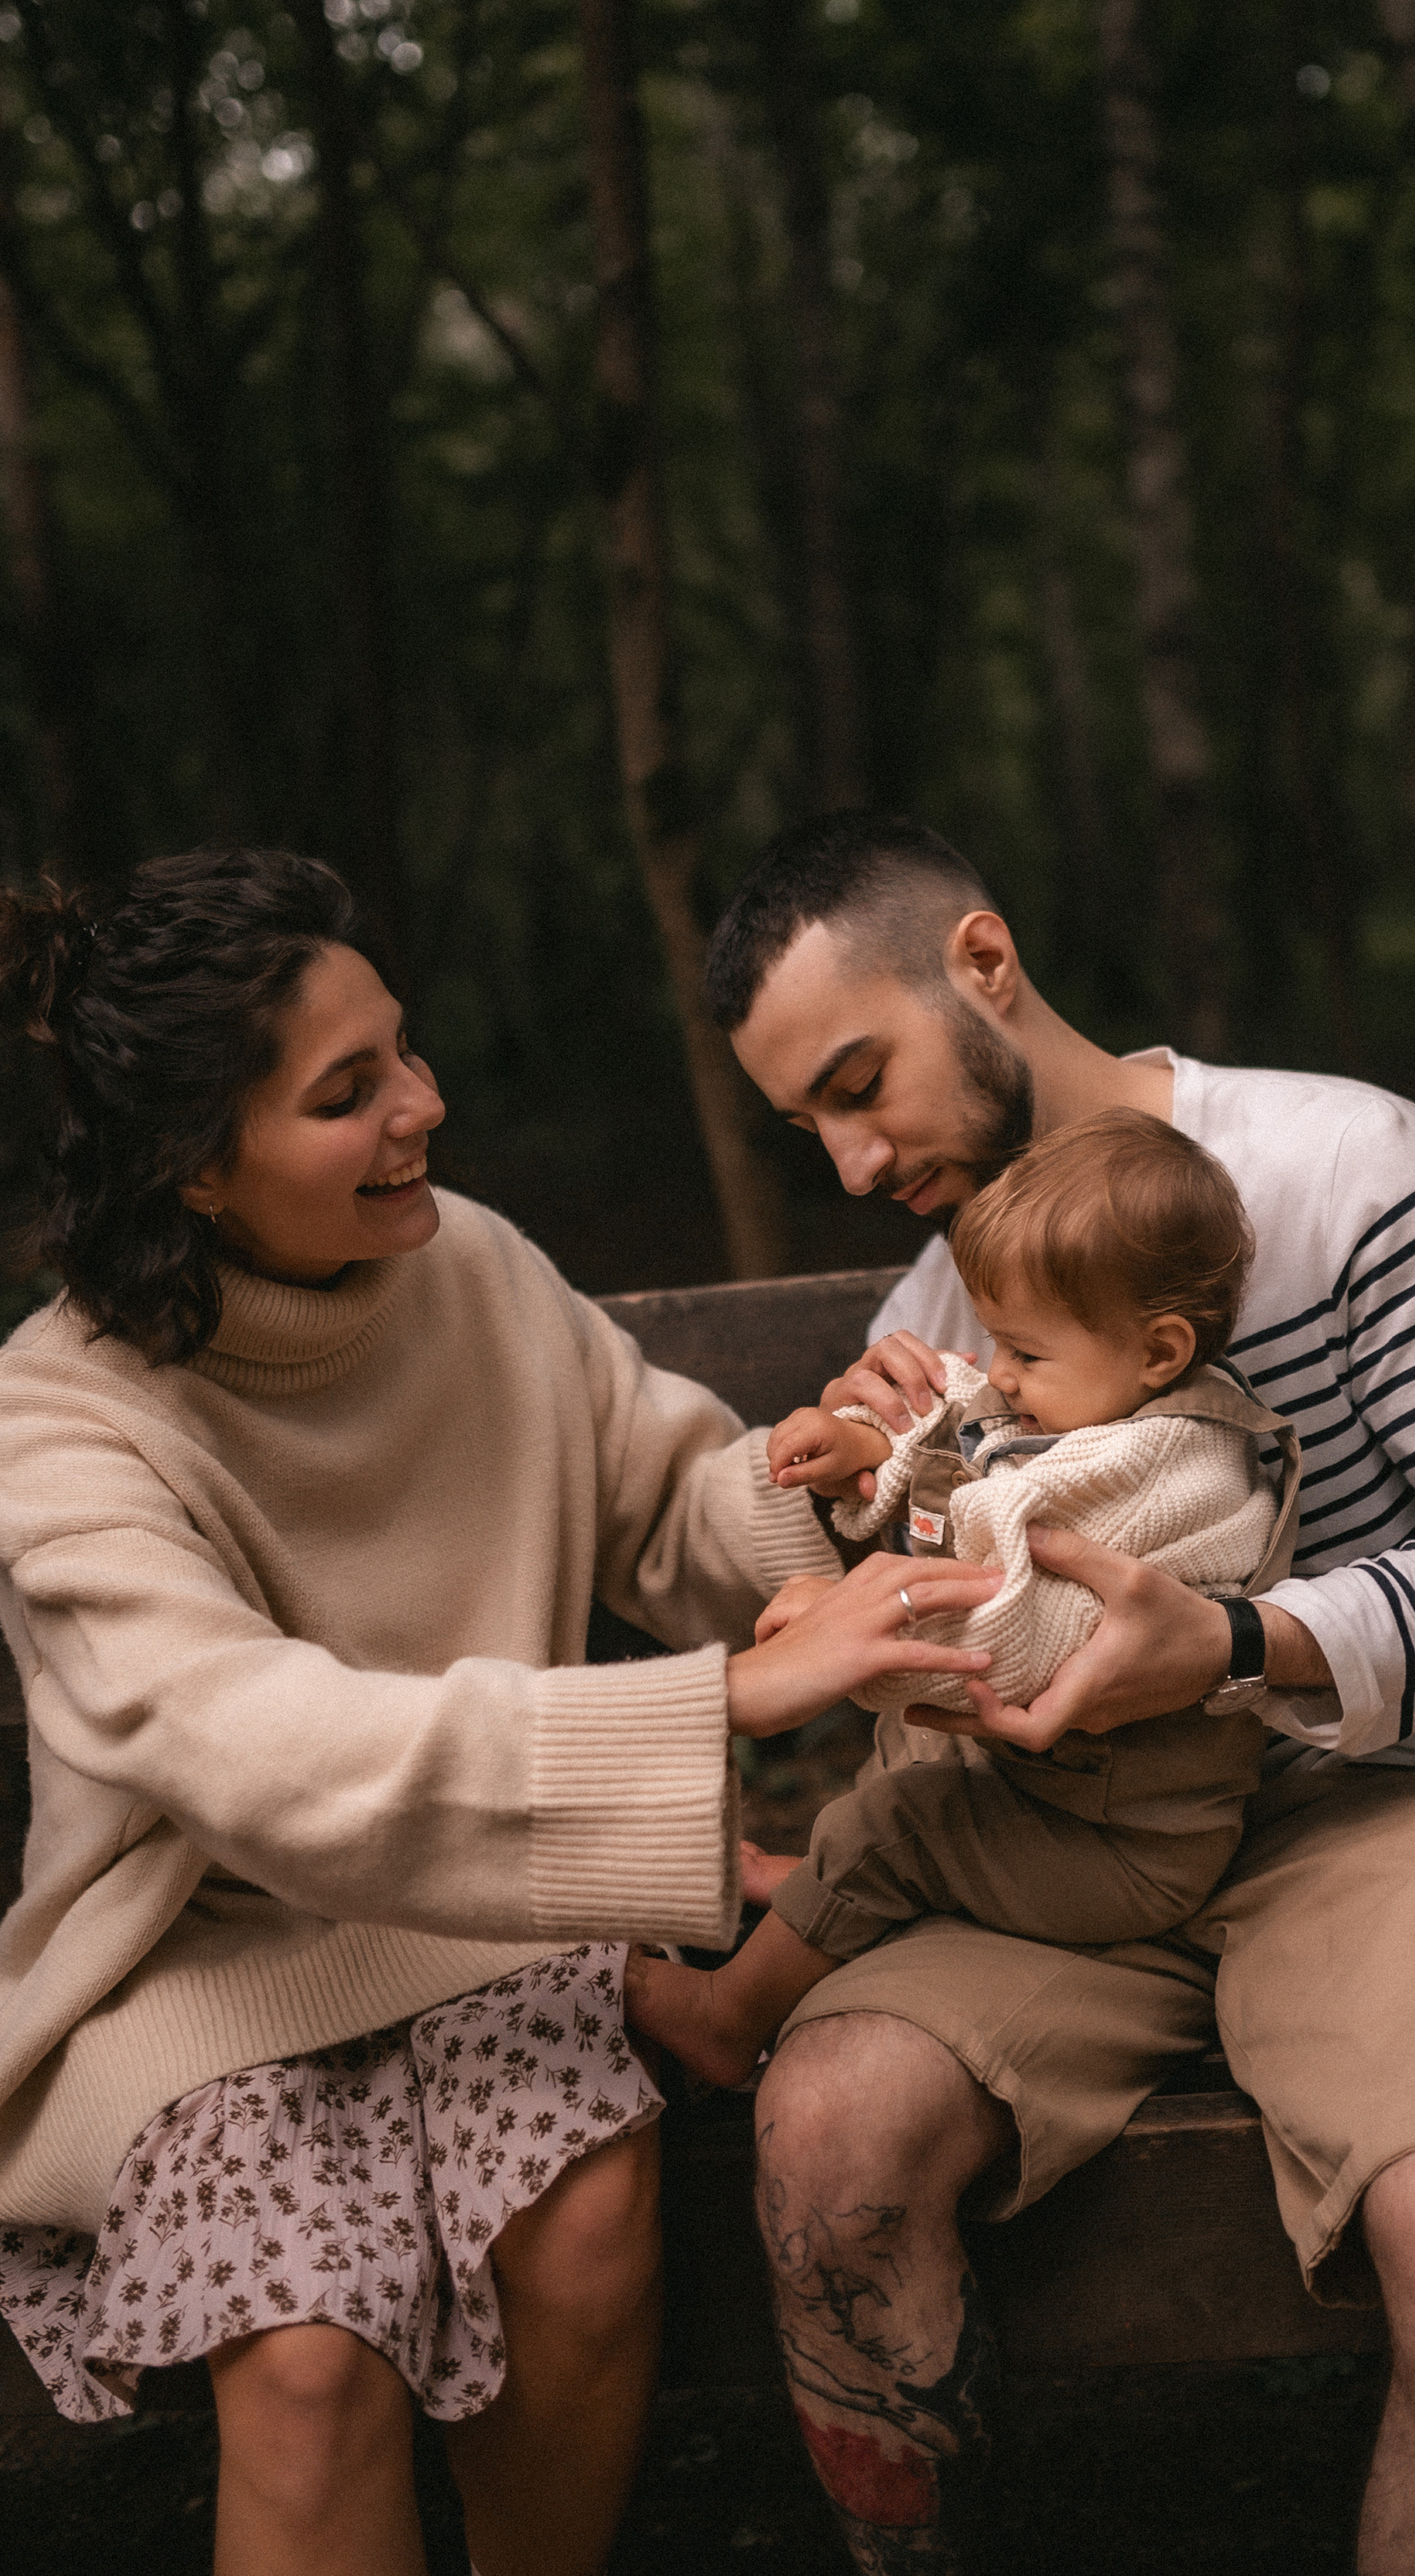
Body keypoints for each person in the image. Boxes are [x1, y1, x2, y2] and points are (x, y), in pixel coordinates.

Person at [0, 849, 992, 2576]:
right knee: (308, 2362)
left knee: (587, 2221)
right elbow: (259, 1754)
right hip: (207, 1972)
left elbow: (670, 1506)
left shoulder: (475, 1268)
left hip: (496, 1929)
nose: (423, 1110)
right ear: (196, 1168)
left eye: (406, 1052)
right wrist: (733, 1695)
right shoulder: (57, 1420)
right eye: (348, 1092)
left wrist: (821, 1487)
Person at [703, 812, 1415, 2576]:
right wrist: (848, 1490)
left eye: (856, 1080)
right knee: (824, 2139)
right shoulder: (941, 1282)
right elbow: (864, 1623)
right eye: (801, 1120)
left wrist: (1238, 1643)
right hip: (1056, 1843)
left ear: (980, 962)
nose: (843, 1155)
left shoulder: (1343, 1161)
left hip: (1379, 1798)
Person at [627, 1109, 1298, 2090]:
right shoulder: (1096, 1391)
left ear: (1159, 1349)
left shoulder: (1176, 1475)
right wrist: (867, 1446)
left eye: (1024, 1351)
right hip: (1056, 1794)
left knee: (900, 1827)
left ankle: (727, 2015)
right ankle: (817, 1883)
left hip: (1126, 1847)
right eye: (997, 1342)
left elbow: (1016, 1638)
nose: (1003, 1372)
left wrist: (855, 1613)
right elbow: (961, 1412)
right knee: (915, 1764)